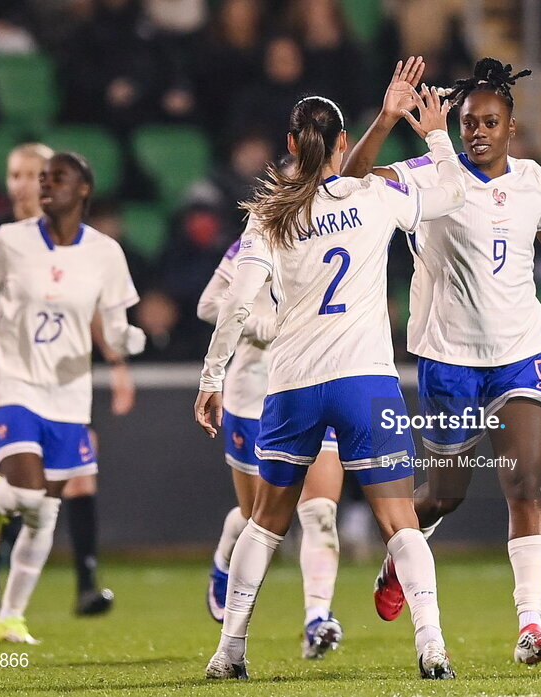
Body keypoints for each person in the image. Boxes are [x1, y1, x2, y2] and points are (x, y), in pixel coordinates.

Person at [194, 88, 465, 679]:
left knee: (266, 519)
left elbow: (238, 304)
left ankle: (229, 651)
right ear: (343, 143)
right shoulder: (375, 194)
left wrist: (211, 378)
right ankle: (432, 646)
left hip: (293, 382)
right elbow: (452, 191)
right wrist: (436, 134)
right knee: (400, 521)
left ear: (291, 145)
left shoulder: (270, 213)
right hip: (365, 379)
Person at [342, 57, 541, 664]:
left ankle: (530, 628)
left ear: (511, 127)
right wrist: (388, 116)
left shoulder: (534, 180)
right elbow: (350, 180)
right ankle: (397, 558)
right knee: (444, 497)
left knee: (526, 485)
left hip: (520, 352)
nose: (478, 131)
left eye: (490, 121)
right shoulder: (429, 173)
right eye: (467, 122)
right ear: (455, 126)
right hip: (448, 358)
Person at [0, 152, 146, 644]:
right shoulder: (8, 241)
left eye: (57, 178)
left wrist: (126, 342)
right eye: (42, 178)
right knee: (25, 494)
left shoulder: (105, 252)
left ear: (83, 189)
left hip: (69, 395)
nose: (46, 185)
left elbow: (114, 321)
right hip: (12, 383)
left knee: (45, 511)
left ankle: (10, 617)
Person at [197, 238, 345, 659]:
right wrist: (259, 322)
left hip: (317, 384)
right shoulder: (257, 238)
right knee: (255, 517)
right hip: (255, 394)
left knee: (319, 513)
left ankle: (317, 619)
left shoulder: (343, 227)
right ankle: (226, 555)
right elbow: (208, 305)